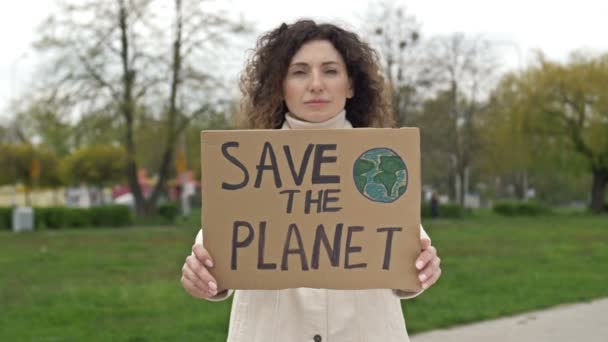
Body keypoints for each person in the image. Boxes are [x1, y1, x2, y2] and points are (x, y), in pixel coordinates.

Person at [181, 19, 442, 342]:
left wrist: (421, 266)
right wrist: (203, 274)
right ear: (280, 85)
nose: (316, 84)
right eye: (300, 71)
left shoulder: (381, 161)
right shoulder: (246, 164)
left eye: (330, 71)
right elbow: (221, 253)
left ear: (351, 84)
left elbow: (402, 249)